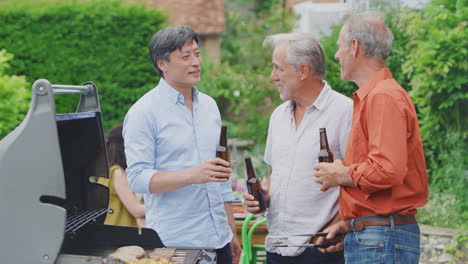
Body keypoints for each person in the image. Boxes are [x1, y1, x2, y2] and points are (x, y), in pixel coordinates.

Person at [314, 11, 429, 264]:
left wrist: (341, 173)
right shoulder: (375, 96)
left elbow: (388, 170)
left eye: (339, 47)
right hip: (377, 235)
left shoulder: (382, 97)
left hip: (382, 238)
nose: (336, 55)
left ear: (354, 47)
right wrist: (350, 225)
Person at [123, 25, 241, 264]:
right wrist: (193, 175)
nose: (195, 62)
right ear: (162, 64)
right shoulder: (143, 113)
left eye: (197, 54)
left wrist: (231, 230)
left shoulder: (209, 106)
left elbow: (221, 176)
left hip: (220, 239)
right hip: (176, 245)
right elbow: (137, 178)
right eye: (185, 56)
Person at [243, 32, 352, 264]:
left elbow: (359, 179)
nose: (273, 77)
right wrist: (262, 196)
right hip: (277, 248)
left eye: (278, 68)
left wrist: (342, 222)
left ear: (303, 71)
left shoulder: (346, 112)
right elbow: (276, 176)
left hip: (320, 249)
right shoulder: (278, 116)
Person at [101, 123, 145, 229]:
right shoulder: (117, 173)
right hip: (118, 232)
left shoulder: (106, 170)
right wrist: (164, 206)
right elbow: (136, 210)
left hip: (114, 230)